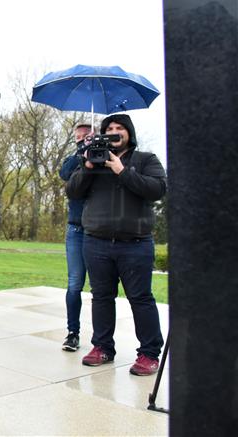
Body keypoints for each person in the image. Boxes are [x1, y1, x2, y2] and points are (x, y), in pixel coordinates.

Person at [66, 114, 166, 376]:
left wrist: (123, 171)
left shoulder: (145, 159)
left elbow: (157, 189)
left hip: (135, 243)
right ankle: (102, 347)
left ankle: (148, 353)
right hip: (96, 242)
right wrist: (87, 164)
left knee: (140, 298)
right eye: (108, 128)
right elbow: (73, 191)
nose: (113, 132)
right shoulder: (94, 159)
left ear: (129, 133)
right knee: (100, 297)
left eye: (119, 128)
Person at [58, 121, 92, 351]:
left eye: (86, 135)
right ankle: (73, 332)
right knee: (74, 284)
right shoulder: (76, 159)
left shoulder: (103, 156)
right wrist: (82, 151)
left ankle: (102, 341)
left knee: (101, 289)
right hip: (76, 229)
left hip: (98, 228)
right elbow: (64, 174)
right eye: (78, 136)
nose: (82, 138)